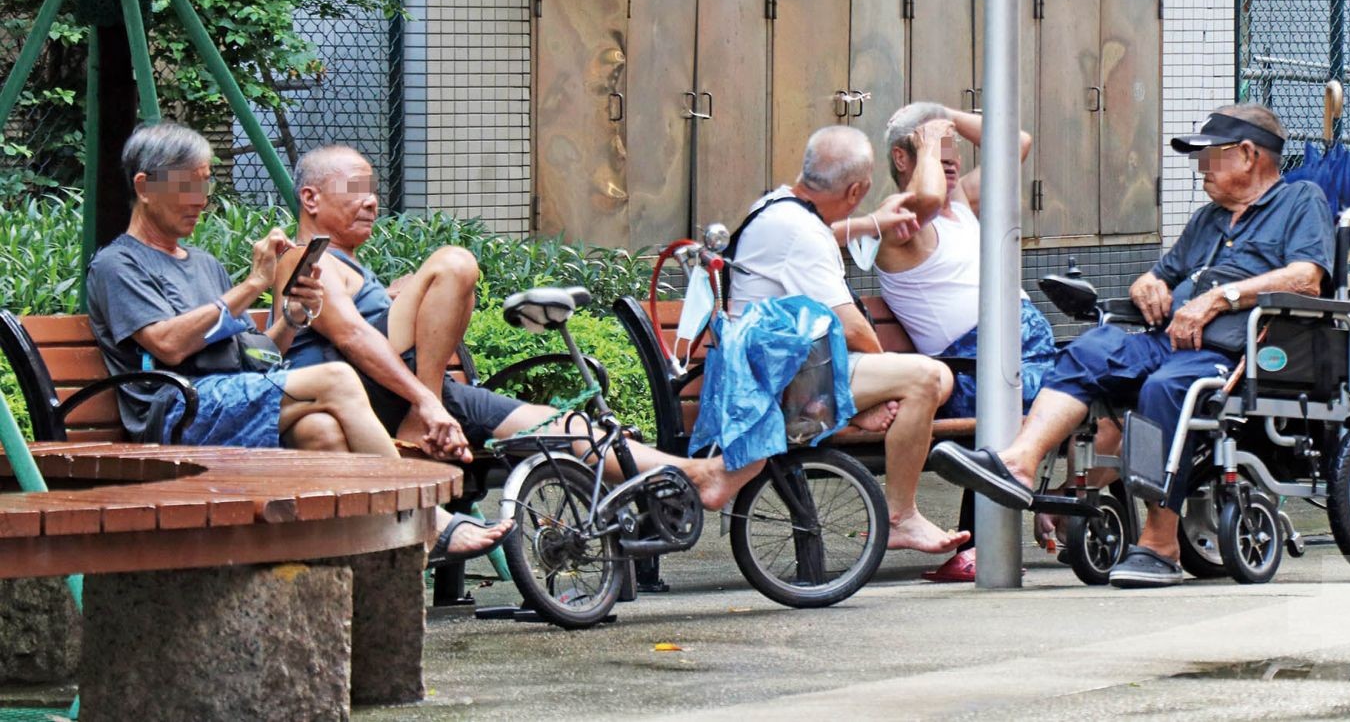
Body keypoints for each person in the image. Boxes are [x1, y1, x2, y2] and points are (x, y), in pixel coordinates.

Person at [928, 104, 1333, 588]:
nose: (1201, 169)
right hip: (1169, 340)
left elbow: (1307, 277)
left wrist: (1218, 298)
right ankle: (1019, 464)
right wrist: (1147, 284)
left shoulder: (1300, 200)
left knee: (1164, 389)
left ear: (1249, 155)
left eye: (1210, 157)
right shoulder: (1208, 220)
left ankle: (1161, 543)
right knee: (1089, 351)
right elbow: (1162, 274)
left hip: (1239, 352)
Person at [84, 122, 509, 564]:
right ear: (145, 187)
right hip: (176, 411)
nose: (201, 200)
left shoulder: (205, 264)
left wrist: (292, 318)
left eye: (205, 185)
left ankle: (361, 564)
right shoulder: (118, 264)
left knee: (319, 430)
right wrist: (253, 285)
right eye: (188, 185)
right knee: (336, 378)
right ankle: (425, 518)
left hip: (226, 400)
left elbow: (254, 355)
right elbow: (167, 345)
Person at [282, 144, 763, 510]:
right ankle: (422, 421)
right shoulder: (299, 258)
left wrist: (400, 295)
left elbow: (367, 322)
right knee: (455, 262)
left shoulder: (345, 262)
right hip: (377, 395)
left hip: (409, 388)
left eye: (371, 190)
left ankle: (696, 475)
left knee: (565, 427)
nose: (370, 201)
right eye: (355, 190)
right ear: (310, 198)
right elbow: (353, 337)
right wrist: (426, 403)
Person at [727, 125, 971, 554]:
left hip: (773, 372)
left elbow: (820, 235)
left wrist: (872, 223)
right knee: (927, 378)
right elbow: (852, 328)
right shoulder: (801, 233)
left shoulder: (776, 207)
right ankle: (900, 517)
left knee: (926, 378)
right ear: (856, 189)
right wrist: (884, 383)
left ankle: (856, 418)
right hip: (777, 391)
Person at [873, 102, 1052, 581]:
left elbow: (1017, 142)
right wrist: (930, 137)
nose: (951, 161)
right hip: (972, 371)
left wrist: (941, 115)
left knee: (1099, 386)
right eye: (937, 153)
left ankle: (1055, 503)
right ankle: (1022, 520)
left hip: (1018, 354)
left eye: (955, 153)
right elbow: (927, 196)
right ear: (902, 158)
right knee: (1069, 396)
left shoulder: (963, 208)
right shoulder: (900, 223)